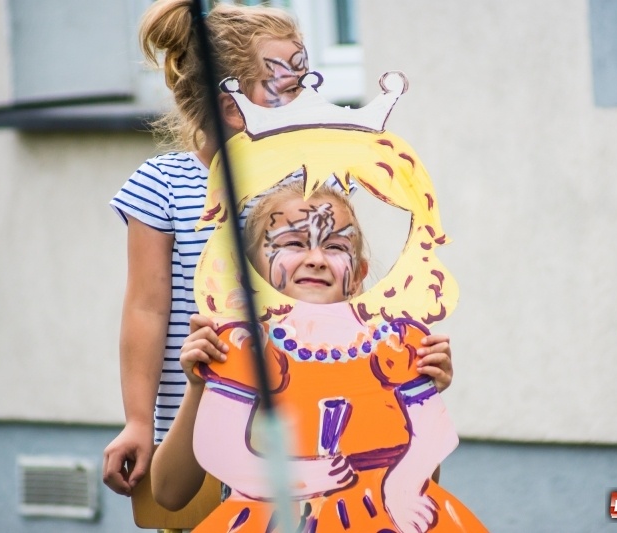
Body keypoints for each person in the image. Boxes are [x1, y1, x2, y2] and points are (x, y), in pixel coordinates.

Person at [102, 0, 454, 497]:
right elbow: (146, 307)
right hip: (193, 430)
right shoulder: (164, 184)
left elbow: (340, 299)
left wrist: (402, 371)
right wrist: (138, 422)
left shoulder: (312, 182)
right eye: (290, 88)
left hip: (304, 436)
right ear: (232, 107)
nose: (308, 99)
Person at [152, 181, 486, 532]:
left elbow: (423, 484)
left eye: (336, 246)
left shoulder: (394, 348)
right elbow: (169, 493)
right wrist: (198, 387)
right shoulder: (242, 350)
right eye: (294, 243)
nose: (316, 259)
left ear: (358, 275)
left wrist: (426, 390)